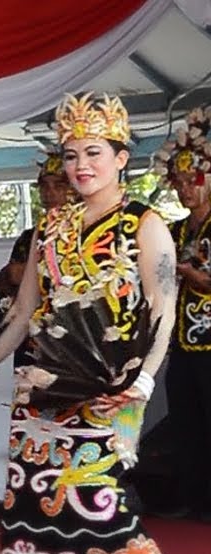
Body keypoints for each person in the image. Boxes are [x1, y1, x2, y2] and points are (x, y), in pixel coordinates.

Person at [0, 92, 188, 554]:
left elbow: (162, 312)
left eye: (94, 153)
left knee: (89, 477)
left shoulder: (145, 225)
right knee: (39, 479)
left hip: (115, 377)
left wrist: (143, 381)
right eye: (72, 155)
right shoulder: (49, 229)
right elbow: (25, 311)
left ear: (122, 158)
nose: (81, 166)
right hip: (50, 374)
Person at [152, 106, 211, 522]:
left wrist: (196, 276)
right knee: (187, 427)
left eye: (192, 181)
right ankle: (198, 500)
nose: (185, 190)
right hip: (182, 344)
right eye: (178, 182)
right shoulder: (172, 231)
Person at [0, 152, 76, 368]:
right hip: (32, 338)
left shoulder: (89, 232)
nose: (49, 192)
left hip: (76, 342)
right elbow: (6, 280)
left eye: (58, 185)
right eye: (44, 186)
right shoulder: (30, 237)